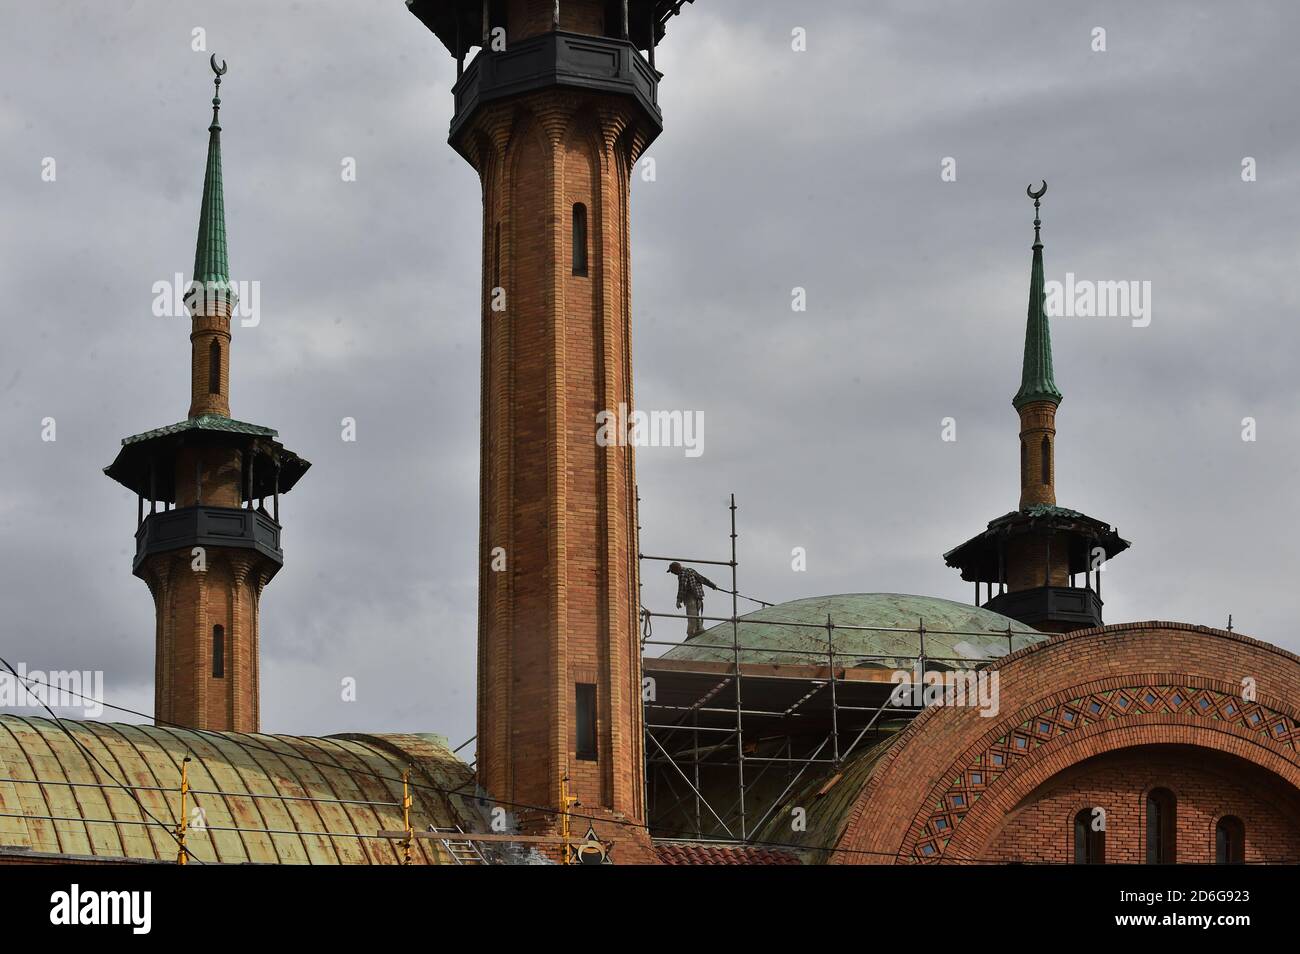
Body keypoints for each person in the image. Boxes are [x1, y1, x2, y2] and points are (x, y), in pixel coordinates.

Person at [668, 561, 719, 637]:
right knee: (696, 616)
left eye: (672, 571)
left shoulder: (682, 574)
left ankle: (691, 633)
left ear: (676, 569)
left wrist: (678, 600)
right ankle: (699, 630)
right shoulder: (690, 570)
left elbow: (682, 587)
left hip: (691, 597)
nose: (672, 573)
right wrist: (712, 585)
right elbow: (702, 579)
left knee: (692, 616)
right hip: (698, 597)